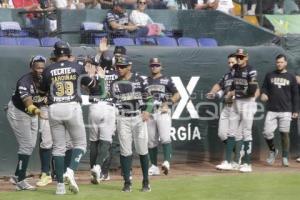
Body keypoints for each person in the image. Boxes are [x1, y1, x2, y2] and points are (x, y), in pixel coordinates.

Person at [40, 41, 105, 195]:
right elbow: (93, 87)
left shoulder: (48, 69)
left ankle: (60, 186)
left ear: (55, 54)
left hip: (54, 108)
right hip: (71, 106)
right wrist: (91, 77)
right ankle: (70, 171)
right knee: (81, 144)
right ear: (68, 53)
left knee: (58, 148)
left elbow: (42, 91)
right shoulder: (76, 66)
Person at [110, 55, 153, 192]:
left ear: (129, 66)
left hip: (138, 117)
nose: (119, 69)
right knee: (125, 151)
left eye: (122, 66)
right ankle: (127, 182)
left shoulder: (139, 80)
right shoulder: (115, 83)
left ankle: (146, 181)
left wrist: (148, 110)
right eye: (117, 66)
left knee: (142, 150)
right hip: (123, 118)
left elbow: (150, 98)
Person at [6, 55, 46, 191]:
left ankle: (17, 175)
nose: (40, 70)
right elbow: (28, 102)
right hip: (19, 112)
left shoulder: (45, 80)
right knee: (26, 145)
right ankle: (21, 181)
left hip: (32, 113)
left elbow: (45, 97)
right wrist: (38, 111)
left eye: (42, 67)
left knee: (30, 145)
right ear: (31, 67)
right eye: (37, 67)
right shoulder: (25, 81)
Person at [261, 54, 299, 167]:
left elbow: (296, 95)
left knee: (284, 133)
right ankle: (273, 151)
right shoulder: (269, 75)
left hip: (286, 110)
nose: (279, 64)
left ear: (285, 63)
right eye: (277, 62)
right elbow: (264, 88)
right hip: (272, 109)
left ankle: (285, 157)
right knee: (267, 132)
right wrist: (263, 94)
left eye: (281, 62)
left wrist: (295, 110)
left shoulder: (291, 76)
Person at [206, 54, 241, 170]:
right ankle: (239, 153)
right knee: (222, 134)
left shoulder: (241, 74)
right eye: (229, 62)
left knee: (231, 134)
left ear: (238, 62)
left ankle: (228, 161)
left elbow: (244, 89)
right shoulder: (227, 75)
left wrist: (232, 94)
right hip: (226, 107)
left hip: (236, 106)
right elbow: (219, 86)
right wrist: (213, 92)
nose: (231, 64)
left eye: (233, 62)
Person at [146, 58, 180, 176]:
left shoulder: (166, 80)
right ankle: (154, 166)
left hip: (162, 111)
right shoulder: (146, 81)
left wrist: (169, 103)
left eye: (156, 65)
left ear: (161, 66)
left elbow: (177, 94)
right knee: (151, 142)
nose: (154, 67)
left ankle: (166, 162)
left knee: (165, 138)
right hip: (150, 113)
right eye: (152, 65)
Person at [227, 48, 259, 173]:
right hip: (237, 102)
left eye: (241, 56)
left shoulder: (251, 70)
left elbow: (251, 91)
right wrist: (231, 93)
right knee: (233, 132)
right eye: (237, 56)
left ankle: (248, 163)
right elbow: (233, 85)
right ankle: (230, 162)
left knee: (246, 132)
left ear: (246, 57)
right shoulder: (234, 68)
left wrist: (235, 93)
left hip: (248, 103)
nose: (238, 58)